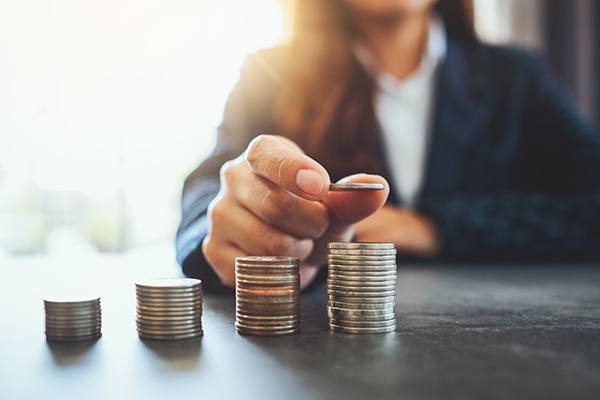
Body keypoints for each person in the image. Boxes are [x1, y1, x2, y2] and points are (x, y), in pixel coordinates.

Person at [176, 0, 600, 293]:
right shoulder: (267, 74)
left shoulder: (517, 77)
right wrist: (224, 224)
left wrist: (436, 228)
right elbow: (209, 189)